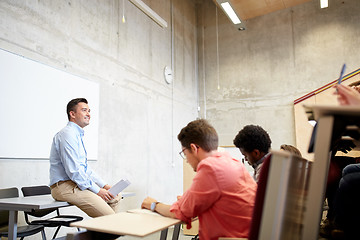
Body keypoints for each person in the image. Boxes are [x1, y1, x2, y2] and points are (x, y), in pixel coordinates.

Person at [141, 119, 257, 240]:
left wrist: (153, 205)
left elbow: (180, 212)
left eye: (185, 154)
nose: (187, 160)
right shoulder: (233, 162)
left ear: (194, 148)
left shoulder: (210, 168)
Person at [49, 98, 121, 217]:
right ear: (72, 114)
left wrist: (104, 185)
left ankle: (106, 231)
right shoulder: (67, 134)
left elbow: (84, 169)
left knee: (115, 196)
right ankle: (109, 228)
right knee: (109, 216)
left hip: (75, 184)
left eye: (89, 111)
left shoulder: (76, 135)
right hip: (64, 187)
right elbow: (74, 171)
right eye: (84, 110)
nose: (88, 114)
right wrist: (98, 191)